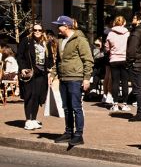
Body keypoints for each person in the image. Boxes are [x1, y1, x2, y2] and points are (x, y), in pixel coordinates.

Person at [52, 15, 93, 149]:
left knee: (76, 107)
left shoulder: (80, 40)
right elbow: (58, 60)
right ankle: (68, 132)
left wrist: (86, 78)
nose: (57, 27)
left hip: (75, 78)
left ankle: (78, 135)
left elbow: (88, 60)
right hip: (63, 77)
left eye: (59, 25)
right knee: (66, 108)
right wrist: (53, 73)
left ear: (67, 26)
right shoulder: (60, 40)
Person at [16, 24, 52, 129]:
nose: (37, 31)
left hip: (42, 73)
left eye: (39, 30)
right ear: (32, 31)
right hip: (29, 72)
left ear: (42, 31)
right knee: (29, 95)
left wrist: (49, 70)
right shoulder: (26, 41)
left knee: (37, 96)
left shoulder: (46, 42)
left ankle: (34, 119)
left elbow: (49, 58)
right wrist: (22, 68)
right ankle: (28, 120)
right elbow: (20, 55)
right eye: (35, 30)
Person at [124, 12, 141, 122]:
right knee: (139, 87)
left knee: (138, 88)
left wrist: (129, 62)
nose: (132, 20)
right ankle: (140, 112)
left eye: (134, 18)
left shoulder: (136, 33)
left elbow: (131, 50)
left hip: (136, 63)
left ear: (139, 20)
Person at [104, 15, 130, 112]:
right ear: (124, 23)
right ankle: (124, 104)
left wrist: (112, 50)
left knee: (115, 82)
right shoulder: (127, 33)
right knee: (124, 82)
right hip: (124, 59)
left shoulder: (110, 34)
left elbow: (107, 48)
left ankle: (115, 104)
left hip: (114, 59)